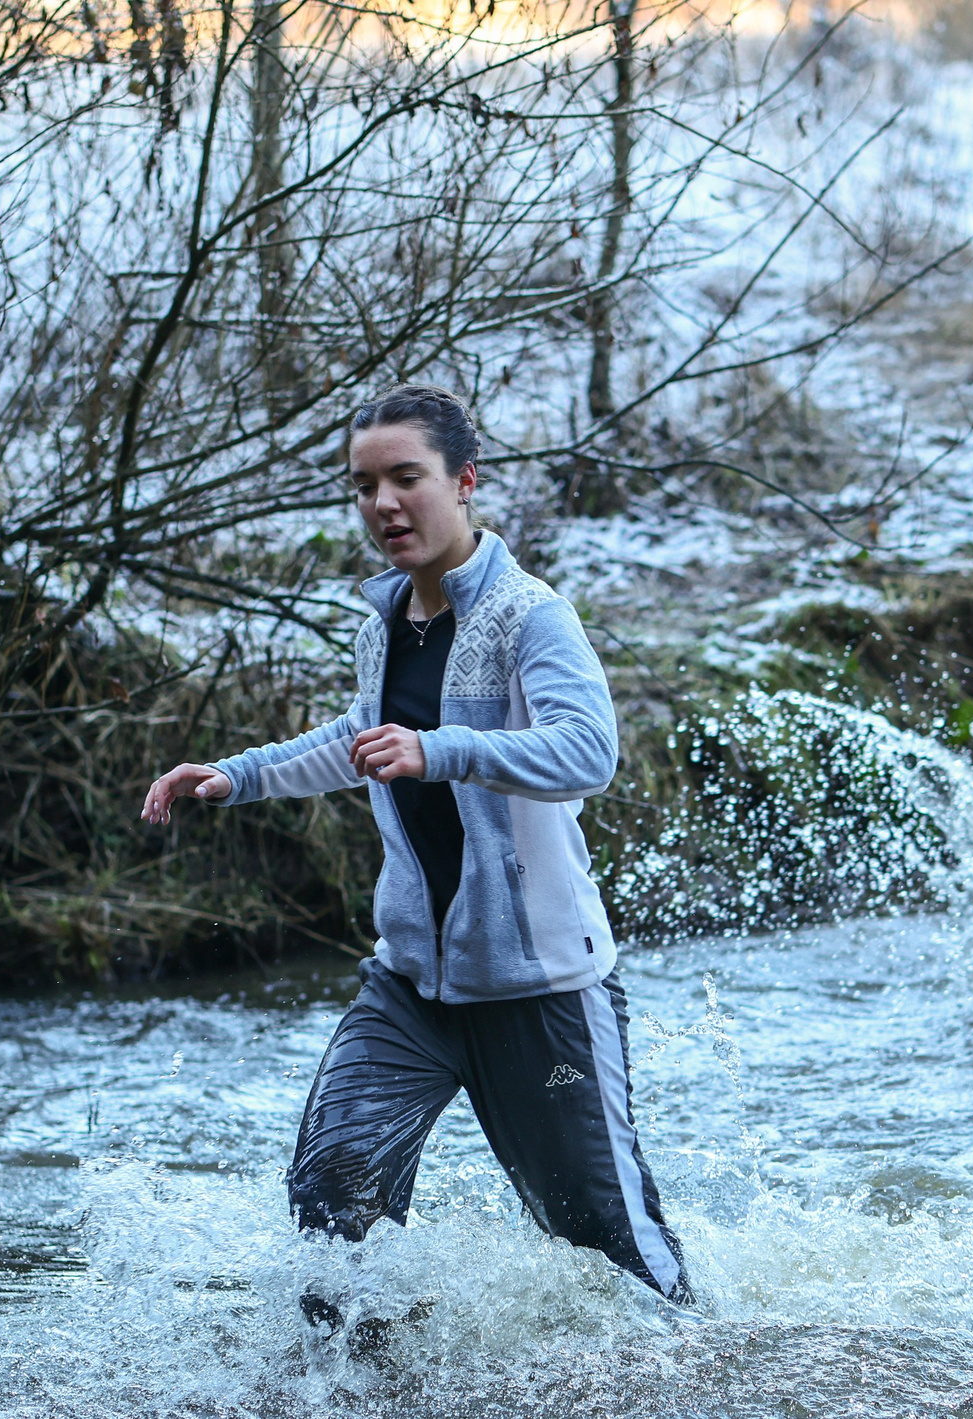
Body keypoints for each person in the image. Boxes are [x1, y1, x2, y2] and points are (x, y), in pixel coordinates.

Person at [139, 385, 690, 1305]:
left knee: (606, 1249)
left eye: (406, 479)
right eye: (363, 486)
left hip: (541, 990)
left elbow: (589, 751)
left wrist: (441, 750)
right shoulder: (384, 625)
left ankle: (712, 1377)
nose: (383, 505)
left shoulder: (530, 616)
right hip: (411, 986)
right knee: (331, 1193)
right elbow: (359, 742)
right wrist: (235, 774)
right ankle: (365, 1388)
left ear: (464, 480)